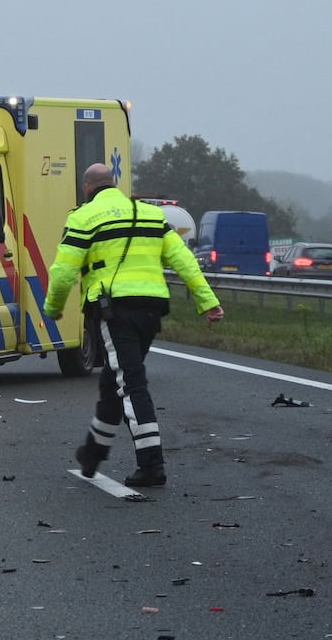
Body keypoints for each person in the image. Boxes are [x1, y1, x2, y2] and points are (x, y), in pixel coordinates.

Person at [43, 163, 224, 488]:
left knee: (130, 384)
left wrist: (53, 308)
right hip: (152, 310)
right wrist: (207, 301)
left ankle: (151, 464)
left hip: (115, 311)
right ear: (114, 185)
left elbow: (63, 271)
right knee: (113, 382)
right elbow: (183, 260)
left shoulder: (83, 217)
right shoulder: (151, 216)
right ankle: (93, 453)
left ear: (87, 188)